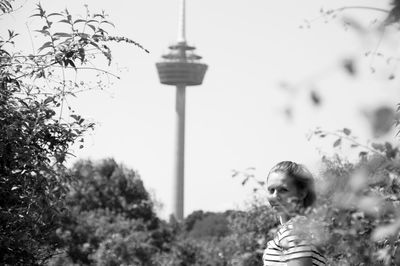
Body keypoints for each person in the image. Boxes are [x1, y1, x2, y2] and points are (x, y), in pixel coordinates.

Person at [262, 161, 326, 266]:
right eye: (271, 190)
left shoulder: (294, 229)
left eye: (283, 190)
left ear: (302, 193)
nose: (275, 196)